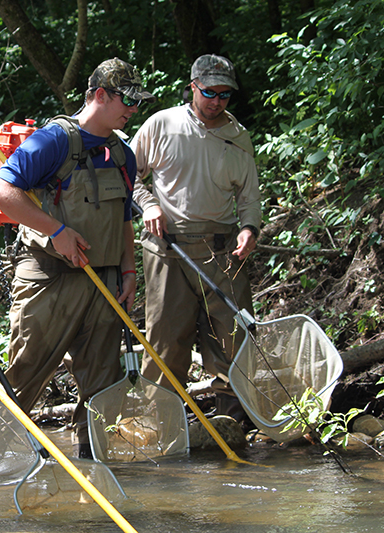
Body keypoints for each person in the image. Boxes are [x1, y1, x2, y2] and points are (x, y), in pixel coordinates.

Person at [0, 58, 155, 459]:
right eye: (127, 101)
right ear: (100, 95)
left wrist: (129, 270)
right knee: (26, 373)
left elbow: (122, 216)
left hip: (105, 282)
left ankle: (96, 463)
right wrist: (57, 231)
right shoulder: (52, 140)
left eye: (137, 103)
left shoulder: (123, 154)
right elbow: (1, 193)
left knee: (103, 381)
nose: (133, 110)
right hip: (49, 277)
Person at [131, 54, 262, 420]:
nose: (217, 101)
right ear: (192, 87)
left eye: (224, 94)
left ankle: (233, 424)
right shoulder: (162, 124)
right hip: (166, 248)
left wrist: (249, 229)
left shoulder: (238, 138)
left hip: (222, 251)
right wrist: (148, 205)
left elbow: (249, 199)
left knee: (234, 337)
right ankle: (162, 424)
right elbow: (127, 177)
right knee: (166, 340)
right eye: (209, 92)